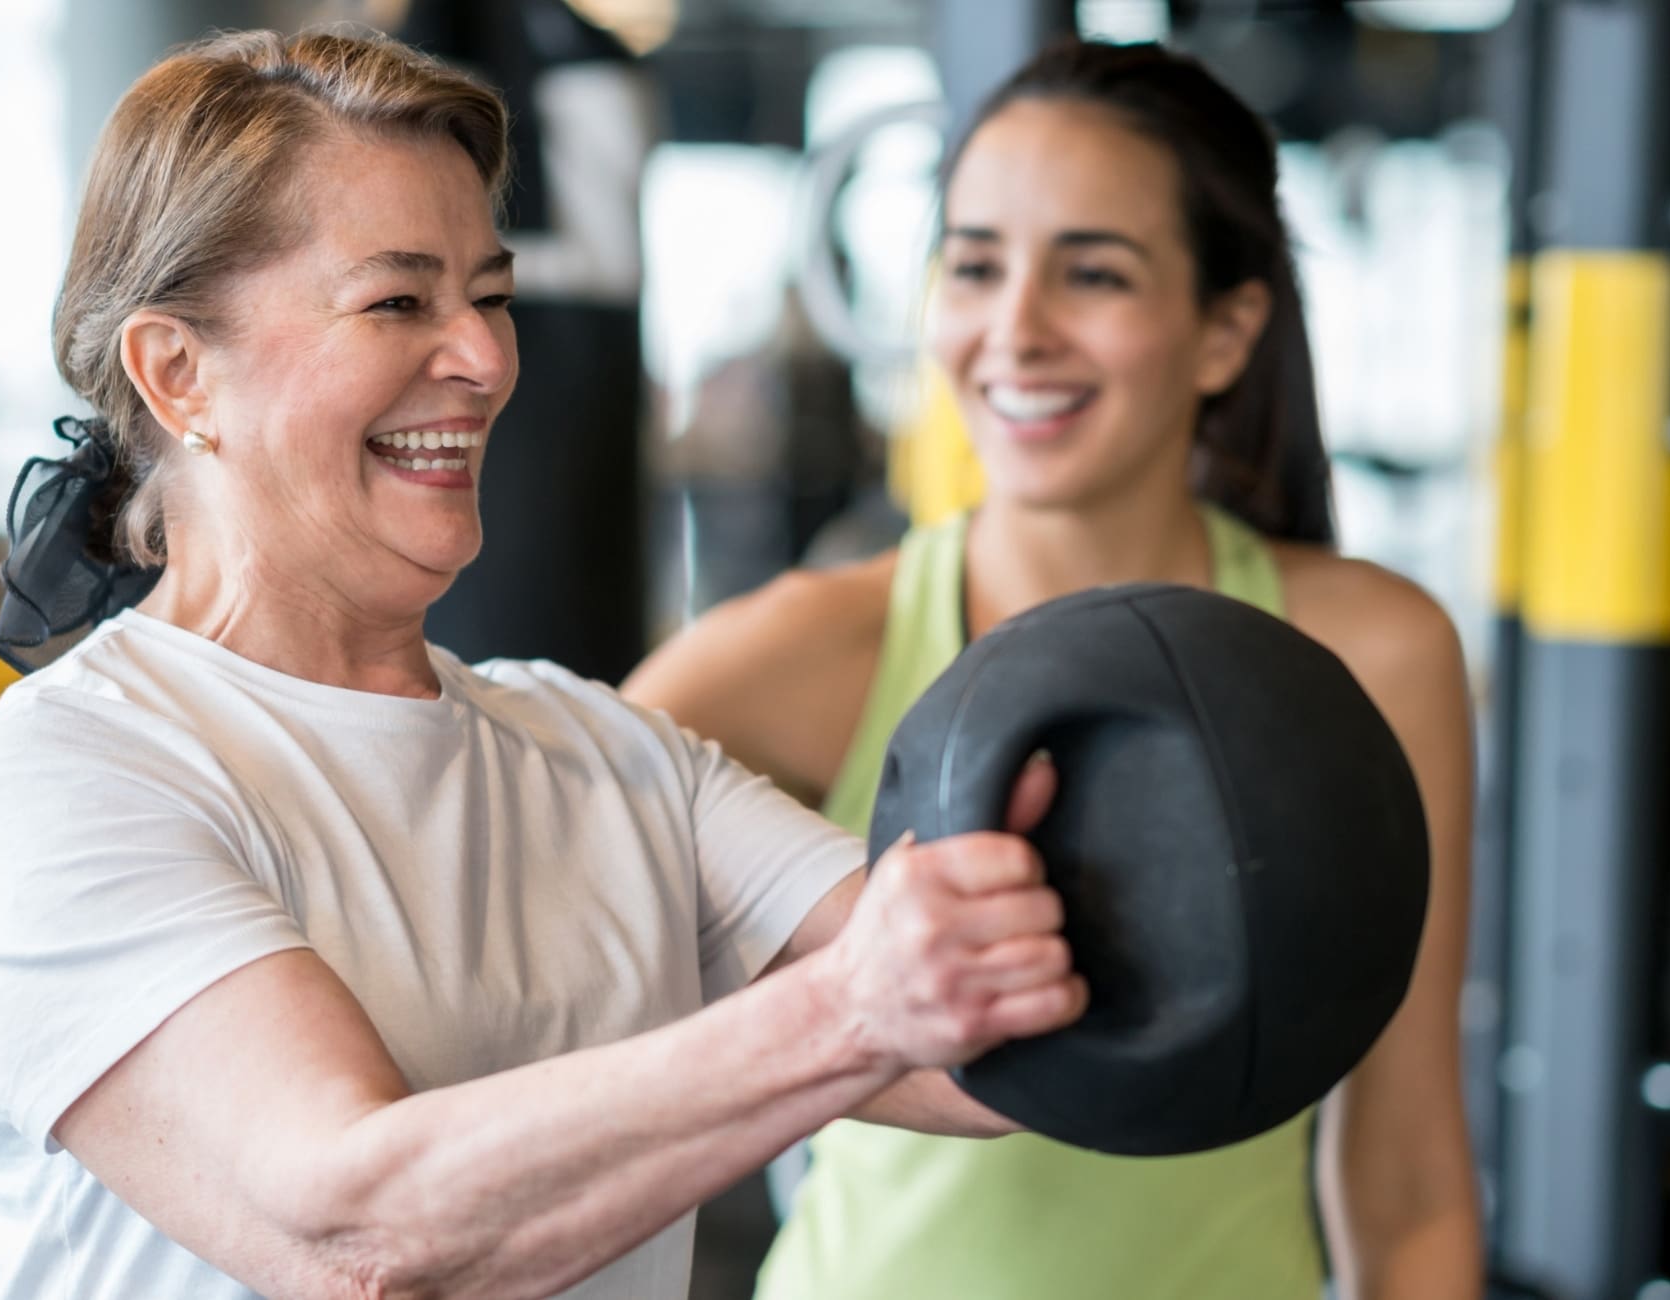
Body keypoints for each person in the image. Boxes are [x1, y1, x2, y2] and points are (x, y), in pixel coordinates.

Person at [0, 28, 1086, 1299]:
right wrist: (852, 1009)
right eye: (399, 301)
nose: (481, 358)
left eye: (494, 295)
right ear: (178, 371)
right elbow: (356, 1232)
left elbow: (986, 1043)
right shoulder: (67, 779)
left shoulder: (612, 756)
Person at [625, 40, 1482, 1299]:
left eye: (1093, 272)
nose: (1014, 330)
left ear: (1224, 329)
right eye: (974, 265)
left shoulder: (1371, 654)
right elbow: (541, 950)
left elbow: (1403, 1173)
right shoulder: (812, 651)